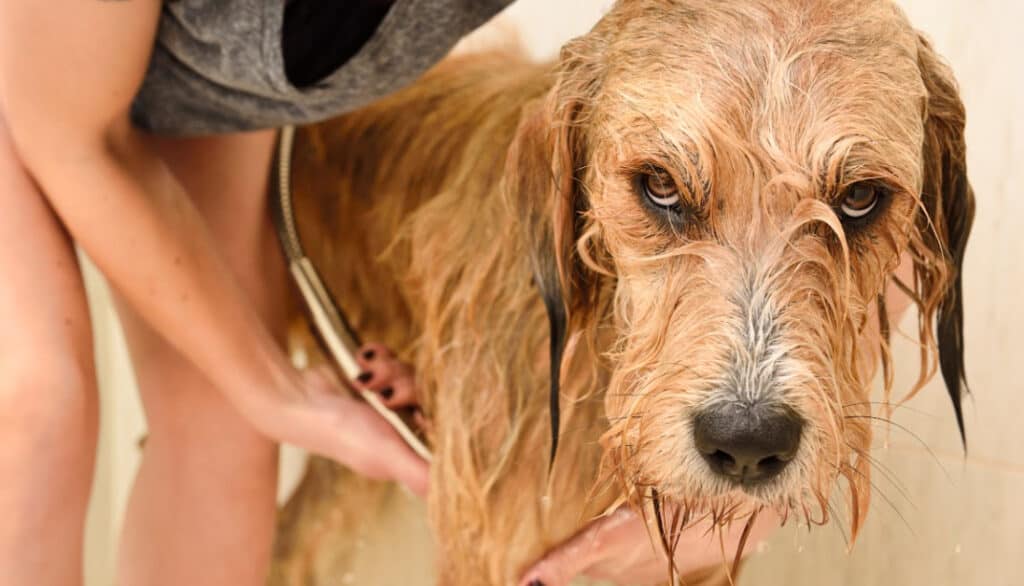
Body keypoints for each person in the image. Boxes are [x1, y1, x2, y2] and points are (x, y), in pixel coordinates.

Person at [8, 1, 916, 584]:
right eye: (663, 193)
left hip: (227, 88)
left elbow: (846, 95)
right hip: (42, 75)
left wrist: (760, 481)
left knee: (219, 441)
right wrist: (279, 390)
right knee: (39, 408)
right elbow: (63, 125)